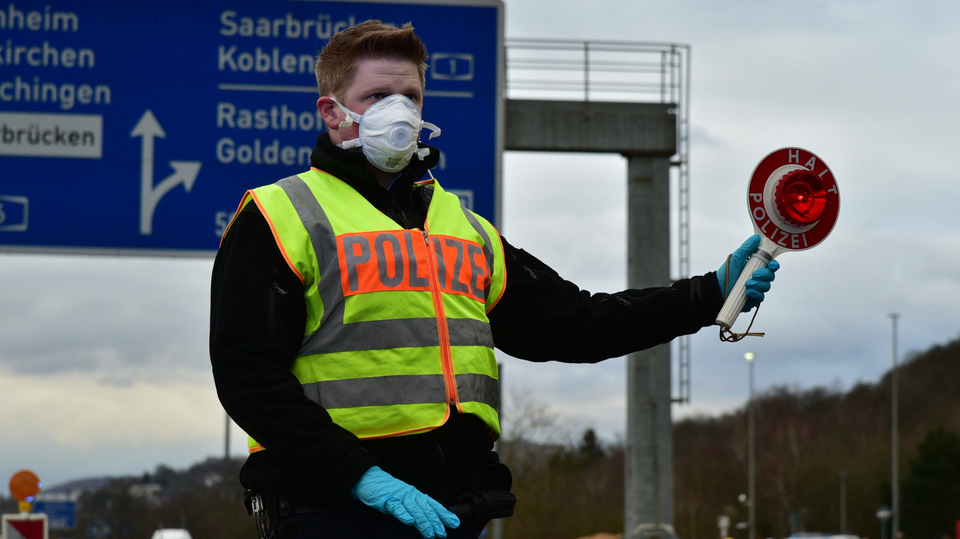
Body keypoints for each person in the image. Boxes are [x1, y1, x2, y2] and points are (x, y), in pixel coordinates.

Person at [209, 20, 778, 539]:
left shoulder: (465, 229)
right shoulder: (279, 216)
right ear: (332, 112)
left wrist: (708, 293)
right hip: (332, 512)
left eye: (411, 97)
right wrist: (360, 476)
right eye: (378, 97)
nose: (399, 112)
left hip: (455, 514)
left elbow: (577, 324)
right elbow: (247, 376)